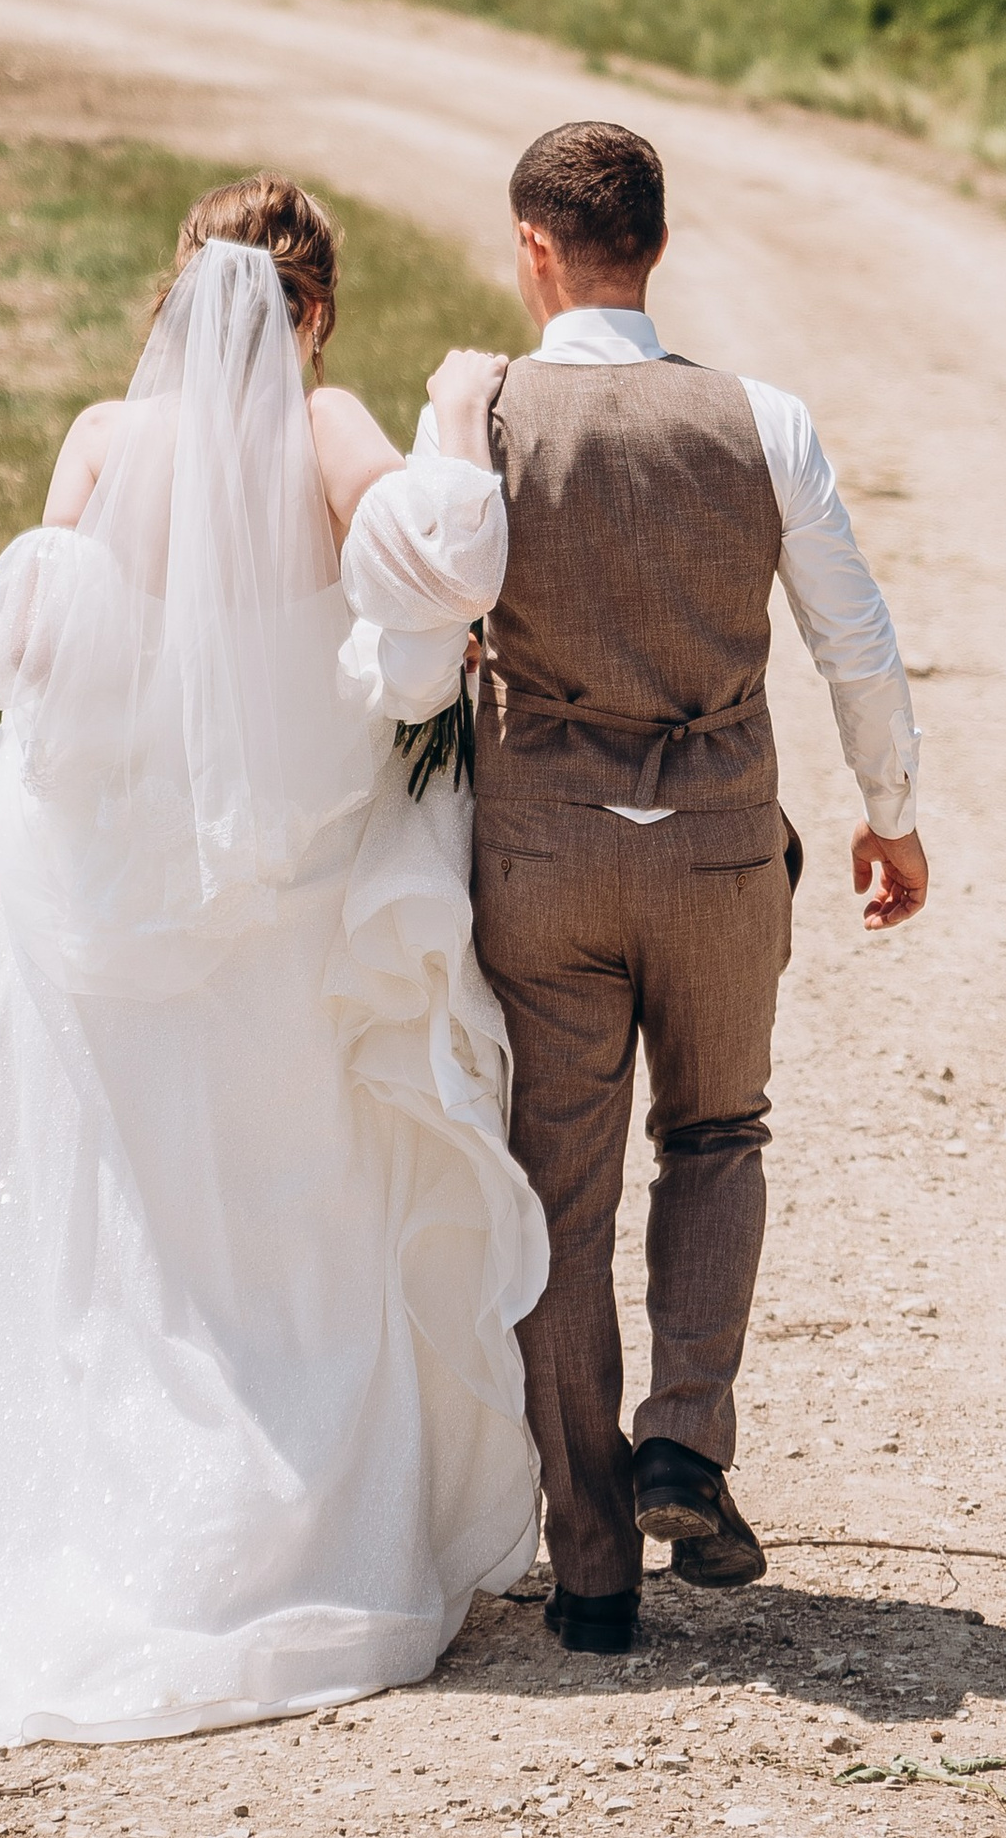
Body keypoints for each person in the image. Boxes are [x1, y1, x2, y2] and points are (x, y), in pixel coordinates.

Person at [0, 177, 547, 1744]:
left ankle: (48, 1495)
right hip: (283, 894)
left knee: (95, 1196)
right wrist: (455, 418)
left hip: (102, 893)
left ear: (182, 291)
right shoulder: (324, 431)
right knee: (281, 1194)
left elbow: (34, 650)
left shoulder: (104, 437)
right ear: (312, 313)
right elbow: (438, 556)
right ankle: (285, 1508)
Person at [396, 118, 926, 1657]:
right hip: (713, 849)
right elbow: (856, 637)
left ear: (533, 252)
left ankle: (594, 1567)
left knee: (561, 1195)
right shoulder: (763, 421)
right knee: (719, 1133)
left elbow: (426, 630)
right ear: (660, 248)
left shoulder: (487, 416)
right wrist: (891, 814)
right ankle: (687, 1434)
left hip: (547, 856)